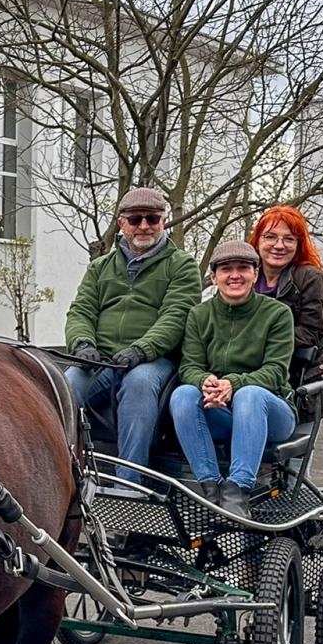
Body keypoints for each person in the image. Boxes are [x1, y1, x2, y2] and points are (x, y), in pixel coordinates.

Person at [63, 187, 200, 481]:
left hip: (153, 360)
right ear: (122, 223)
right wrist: (83, 344)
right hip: (102, 359)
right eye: (135, 219)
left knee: (139, 383)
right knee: (69, 383)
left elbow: (176, 317)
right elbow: (81, 311)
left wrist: (142, 349)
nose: (144, 226)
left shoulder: (183, 266)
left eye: (152, 218)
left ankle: (129, 483)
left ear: (164, 221)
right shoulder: (100, 268)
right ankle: (65, 474)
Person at [168, 241, 296, 518]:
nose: (234, 275)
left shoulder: (277, 314)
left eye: (243, 268)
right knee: (182, 395)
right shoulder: (199, 315)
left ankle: (237, 489)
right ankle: (210, 486)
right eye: (226, 269)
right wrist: (207, 382)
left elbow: (276, 370)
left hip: (269, 412)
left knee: (249, 394)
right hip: (220, 412)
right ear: (214, 277)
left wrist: (233, 385)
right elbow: (189, 366)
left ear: (255, 274)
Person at [248, 206, 323, 416]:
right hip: (253, 371)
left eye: (289, 239)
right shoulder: (244, 277)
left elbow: (312, 332)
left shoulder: (310, 278)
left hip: (302, 375)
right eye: (270, 237)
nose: (279, 245)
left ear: (299, 244)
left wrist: (255, 341)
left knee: (290, 445)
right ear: (257, 241)